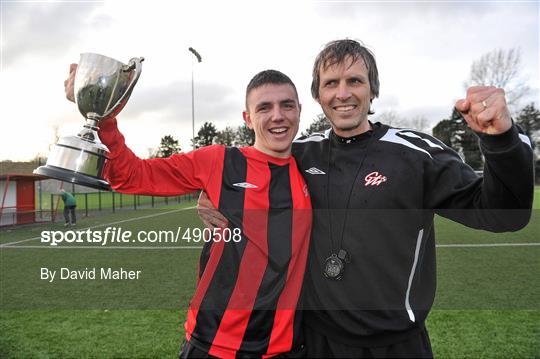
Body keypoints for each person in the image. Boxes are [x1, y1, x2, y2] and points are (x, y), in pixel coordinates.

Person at [198, 39, 534, 358]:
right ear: (317, 95)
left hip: (396, 345)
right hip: (313, 342)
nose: (342, 94)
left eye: (355, 81)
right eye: (331, 83)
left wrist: (501, 141)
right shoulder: (300, 154)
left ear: (373, 89)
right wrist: (214, 190)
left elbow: (505, 215)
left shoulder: (415, 154)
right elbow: (246, 168)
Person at [65, 68, 311, 358]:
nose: (278, 116)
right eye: (264, 108)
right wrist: (104, 118)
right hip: (213, 343)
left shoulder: (315, 167)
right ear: (247, 118)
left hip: (284, 348)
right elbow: (133, 175)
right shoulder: (219, 161)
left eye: (287, 105)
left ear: (299, 111)